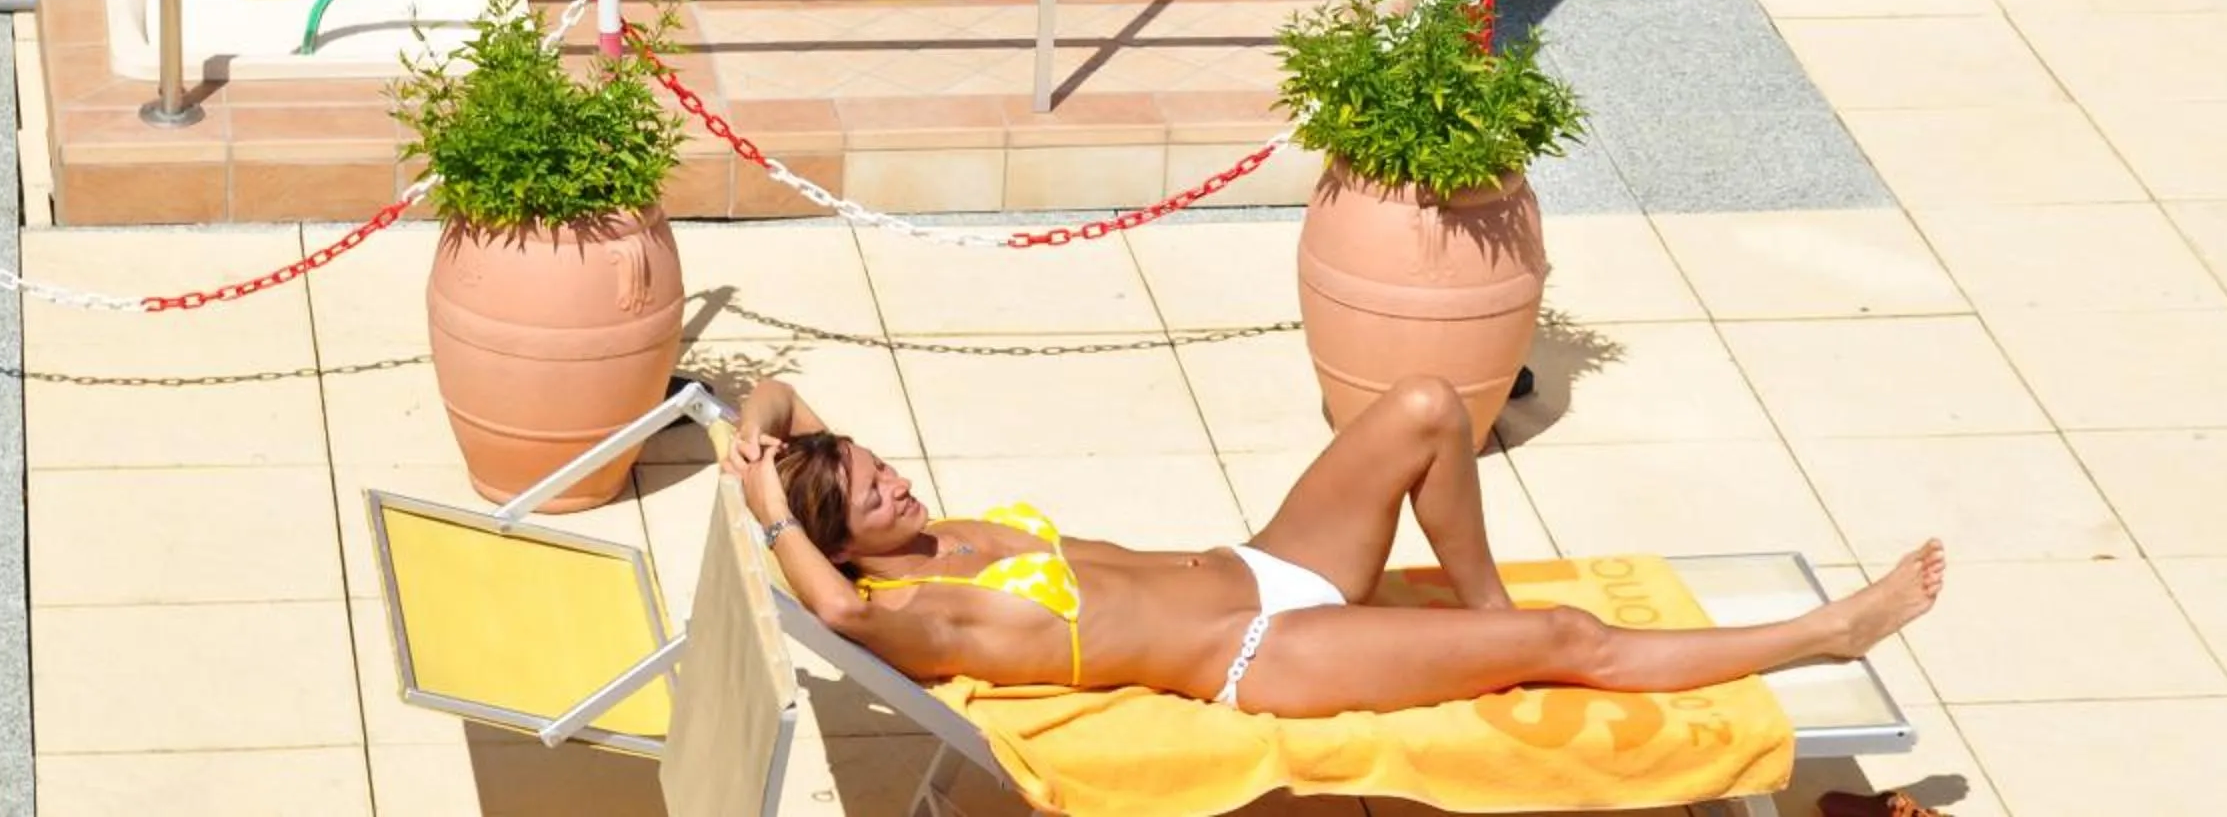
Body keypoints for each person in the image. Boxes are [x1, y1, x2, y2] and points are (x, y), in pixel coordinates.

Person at [726, 372, 1942, 716]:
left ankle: (1481, 610)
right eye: (872, 492)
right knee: (1569, 641)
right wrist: (777, 515)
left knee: (1425, 408)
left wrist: (753, 451)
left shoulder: (935, 537)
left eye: (876, 464)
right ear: (841, 542)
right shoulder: (921, 615)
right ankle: (1829, 635)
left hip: (1264, 561)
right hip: (1266, 647)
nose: (891, 477)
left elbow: (779, 397)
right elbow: (833, 612)